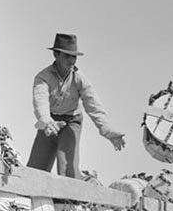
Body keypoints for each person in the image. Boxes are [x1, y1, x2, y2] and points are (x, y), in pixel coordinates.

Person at [27, 33, 126, 177]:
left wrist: (106, 130)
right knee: (35, 170)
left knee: (67, 169)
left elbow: (94, 106)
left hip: (71, 122)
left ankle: (79, 188)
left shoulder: (80, 80)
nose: (71, 60)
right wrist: (47, 121)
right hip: (50, 122)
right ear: (56, 54)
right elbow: (40, 101)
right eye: (67, 56)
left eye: (74, 56)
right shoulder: (42, 77)